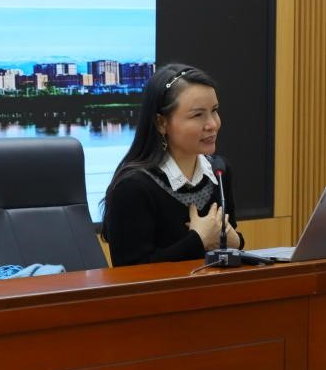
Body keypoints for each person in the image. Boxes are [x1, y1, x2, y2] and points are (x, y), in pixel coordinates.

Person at [102, 63, 244, 266]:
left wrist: (236, 242)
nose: (212, 124)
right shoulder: (132, 188)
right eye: (197, 115)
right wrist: (198, 241)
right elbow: (130, 274)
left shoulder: (219, 171)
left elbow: (228, 250)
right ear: (161, 123)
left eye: (214, 110)